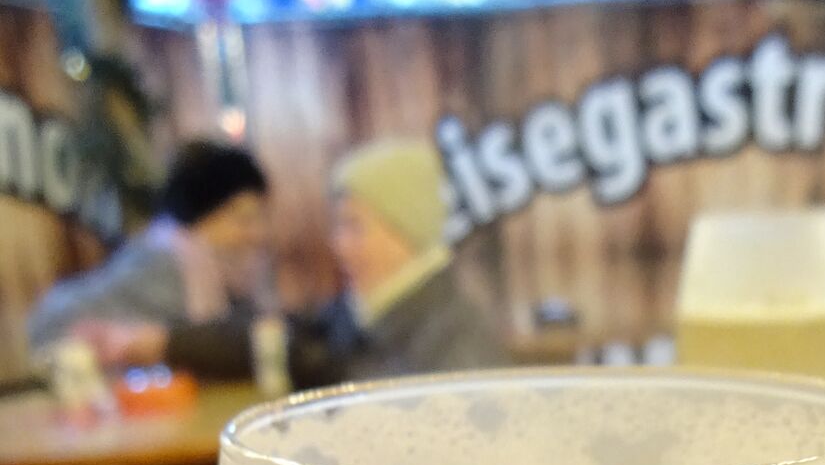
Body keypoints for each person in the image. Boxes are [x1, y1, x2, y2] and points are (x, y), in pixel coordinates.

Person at [28, 140, 271, 380]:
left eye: (261, 218)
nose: (258, 234)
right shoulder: (165, 262)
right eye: (243, 219)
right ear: (198, 216)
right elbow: (53, 318)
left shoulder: (219, 275)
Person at [295, 136, 506, 382]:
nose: (339, 245)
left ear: (407, 231)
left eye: (354, 226)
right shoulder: (358, 314)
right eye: (338, 226)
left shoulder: (456, 344)